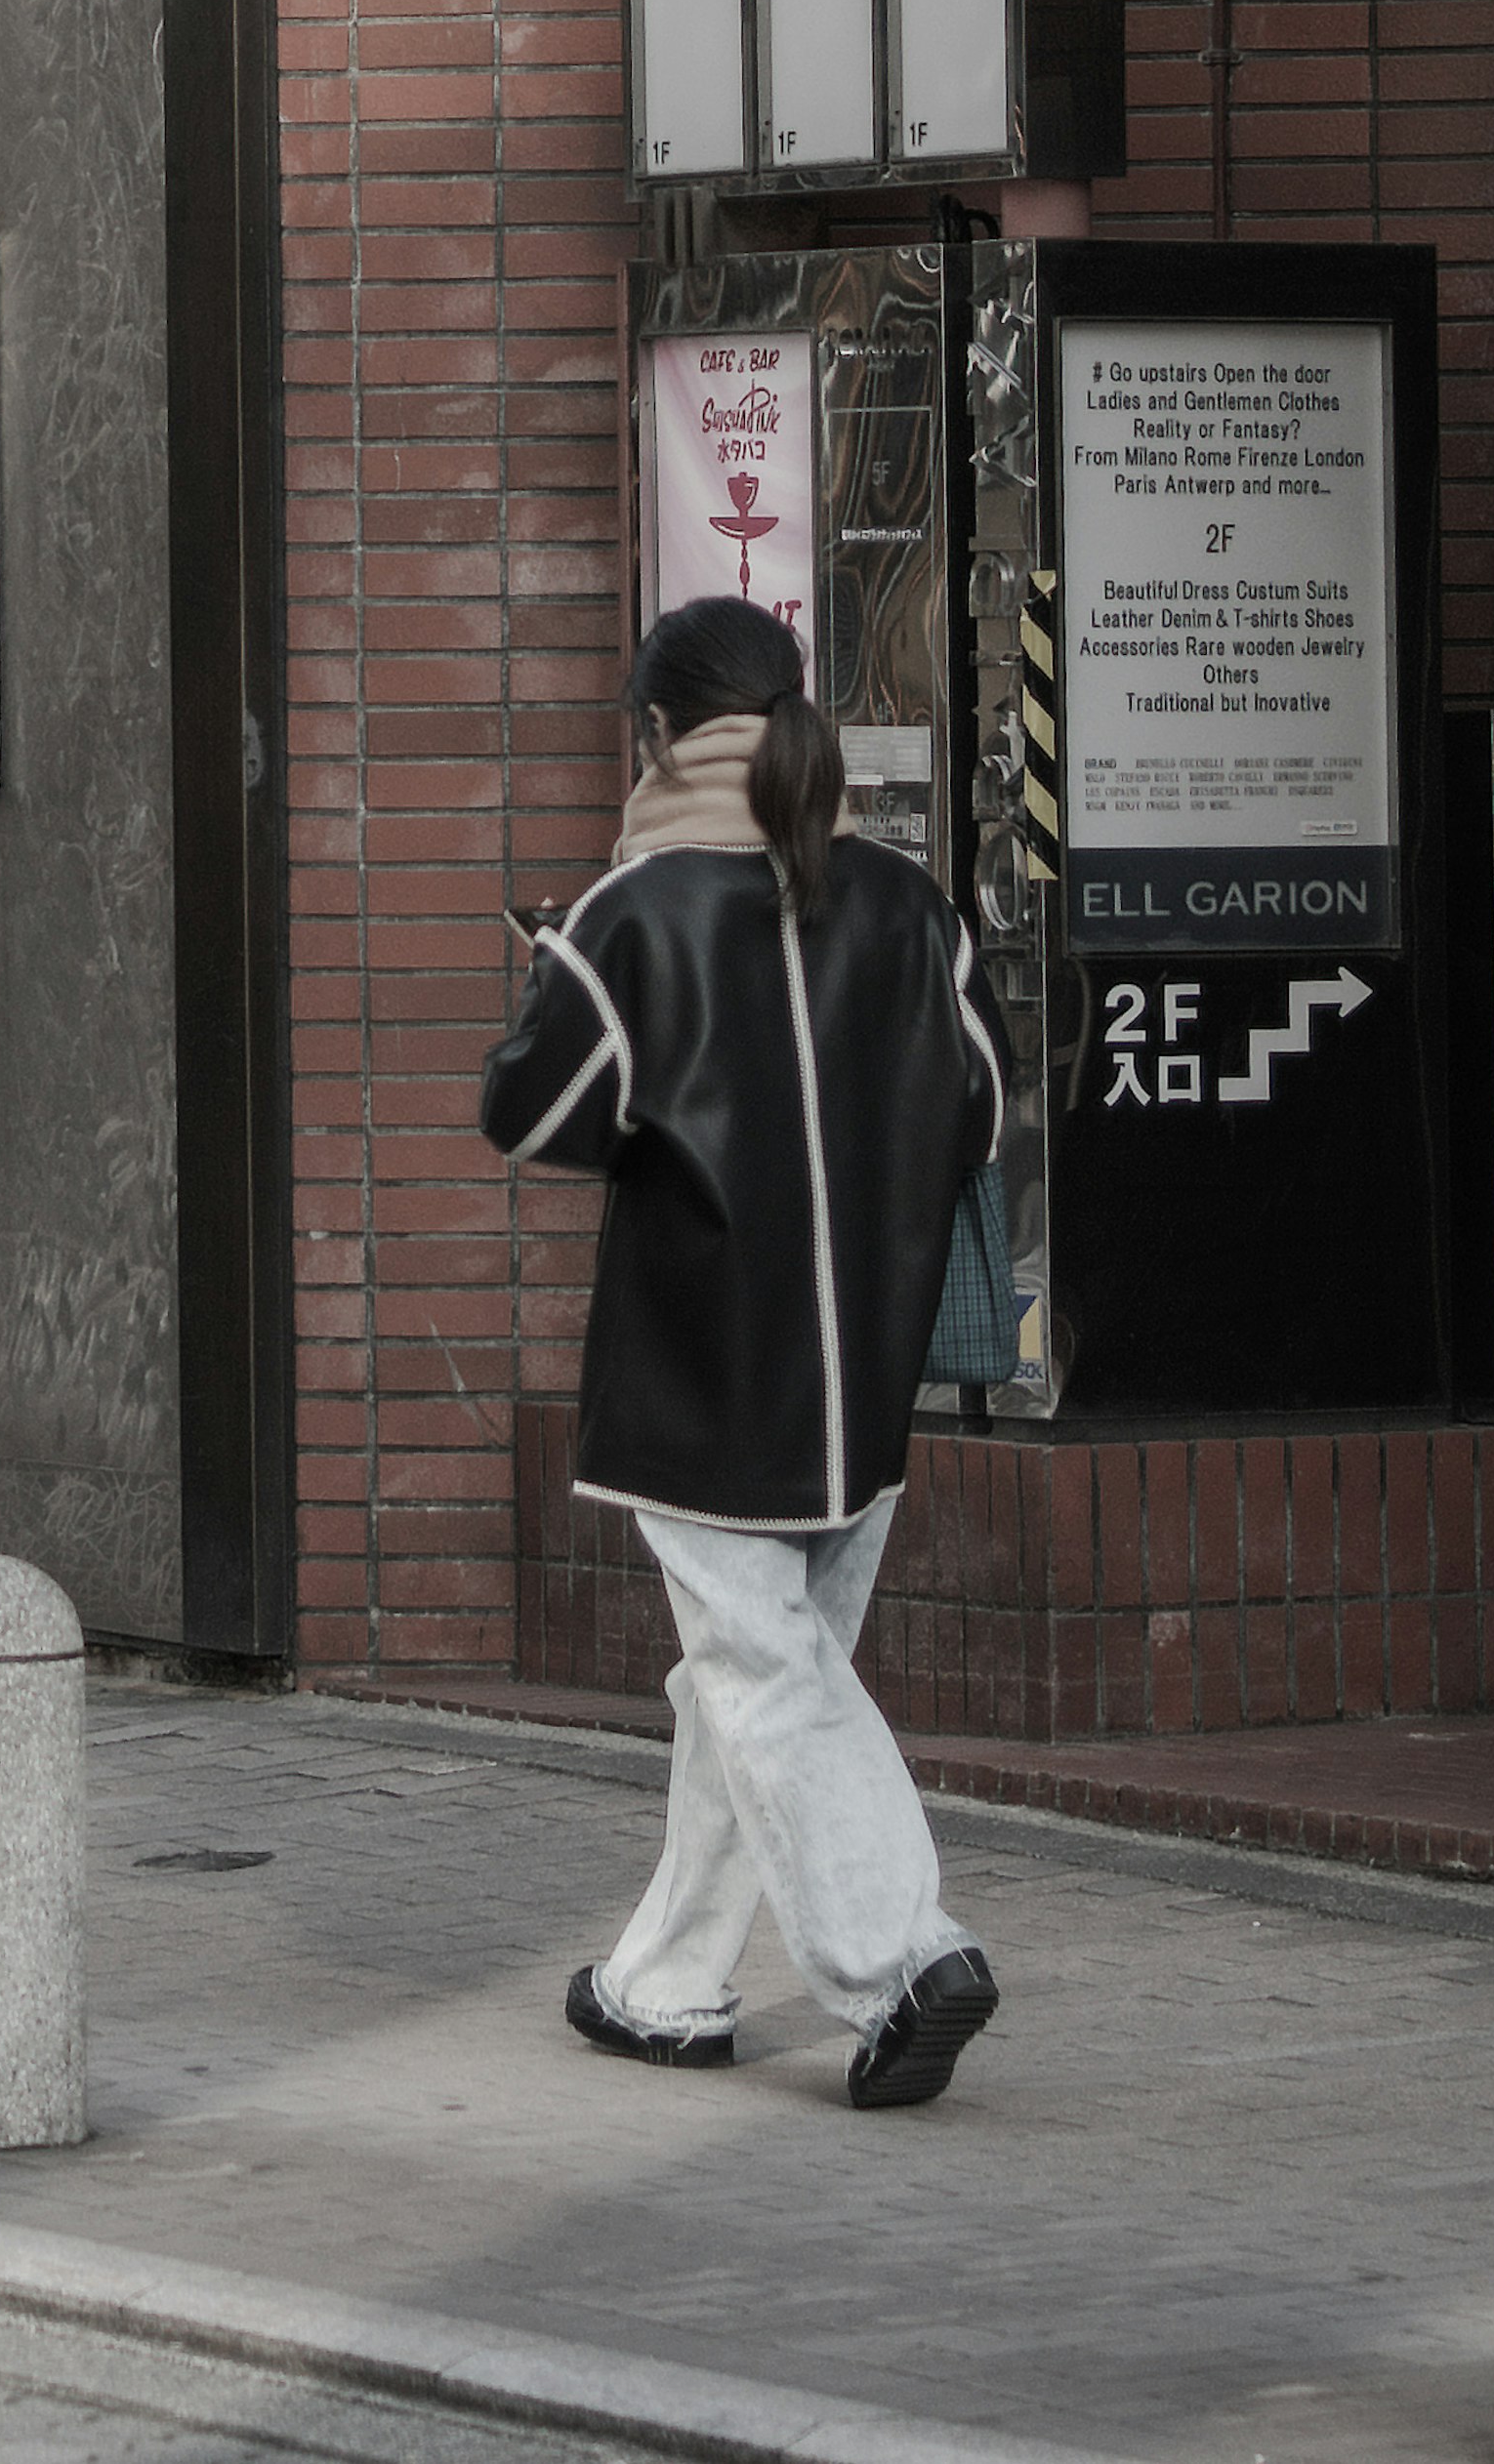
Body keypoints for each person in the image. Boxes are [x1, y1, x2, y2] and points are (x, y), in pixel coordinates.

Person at [479, 592, 1007, 2108]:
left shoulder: (624, 920)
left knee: (764, 1678)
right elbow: (975, 1111)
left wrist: (549, 975)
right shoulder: (912, 909)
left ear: (657, 734)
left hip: (701, 1380)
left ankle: (903, 1953)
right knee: (761, 1673)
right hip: (867, 1383)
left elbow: (533, 1116)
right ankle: (669, 1979)